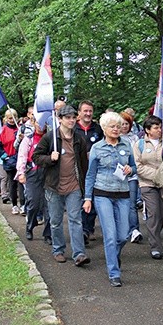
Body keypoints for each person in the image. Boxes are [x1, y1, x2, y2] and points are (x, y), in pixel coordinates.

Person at [33, 105, 91, 267]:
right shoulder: (50, 138)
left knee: (75, 220)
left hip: (74, 185)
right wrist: (50, 158)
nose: (71, 120)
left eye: (73, 117)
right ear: (59, 119)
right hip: (54, 186)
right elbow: (36, 157)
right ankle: (58, 249)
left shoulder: (79, 139)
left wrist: (85, 187)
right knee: (55, 220)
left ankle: (79, 253)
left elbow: (83, 164)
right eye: (67, 117)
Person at [83, 112, 136, 287]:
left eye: (118, 126)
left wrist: (130, 170)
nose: (116, 129)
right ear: (104, 129)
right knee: (110, 236)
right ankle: (114, 272)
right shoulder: (97, 148)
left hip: (123, 194)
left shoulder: (127, 145)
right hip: (102, 193)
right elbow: (90, 175)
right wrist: (87, 198)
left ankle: (114, 255)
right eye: (112, 126)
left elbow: (135, 168)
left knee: (123, 235)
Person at [133, 115, 163, 259]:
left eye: (160, 127)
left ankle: (155, 235)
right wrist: (156, 175)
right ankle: (155, 246)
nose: (160, 130)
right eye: (156, 127)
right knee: (153, 212)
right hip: (147, 184)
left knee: (162, 214)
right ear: (147, 130)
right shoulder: (139, 145)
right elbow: (137, 165)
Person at [16, 117, 52, 244]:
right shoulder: (29, 139)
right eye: (38, 122)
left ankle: (48, 233)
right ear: (33, 123)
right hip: (32, 173)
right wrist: (21, 173)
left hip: (48, 173)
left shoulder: (51, 138)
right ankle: (30, 225)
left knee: (49, 205)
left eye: (44, 123)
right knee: (33, 202)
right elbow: (22, 156)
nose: (41, 125)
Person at [74, 100, 104, 242]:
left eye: (90, 111)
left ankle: (88, 229)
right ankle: (80, 229)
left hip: (94, 171)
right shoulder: (73, 128)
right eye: (85, 111)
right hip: (77, 170)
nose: (88, 114)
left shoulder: (98, 129)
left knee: (91, 198)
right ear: (79, 113)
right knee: (79, 200)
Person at [120, 111, 143, 244]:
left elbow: (138, 157)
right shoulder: (113, 138)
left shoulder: (135, 139)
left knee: (131, 203)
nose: (124, 126)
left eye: (126, 124)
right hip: (117, 177)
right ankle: (123, 229)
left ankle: (135, 230)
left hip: (132, 176)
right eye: (121, 123)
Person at [0, 109, 24, 215]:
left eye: (14, 117)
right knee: (12, 183)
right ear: (6, 119)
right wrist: (5, 157)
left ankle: (23, 204)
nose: (12, 120)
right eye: (10, 118)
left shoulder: (20, 129)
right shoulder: (2, 131)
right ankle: (14, 205)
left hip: (20, 160)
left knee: (21, 183)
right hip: (10, 161)